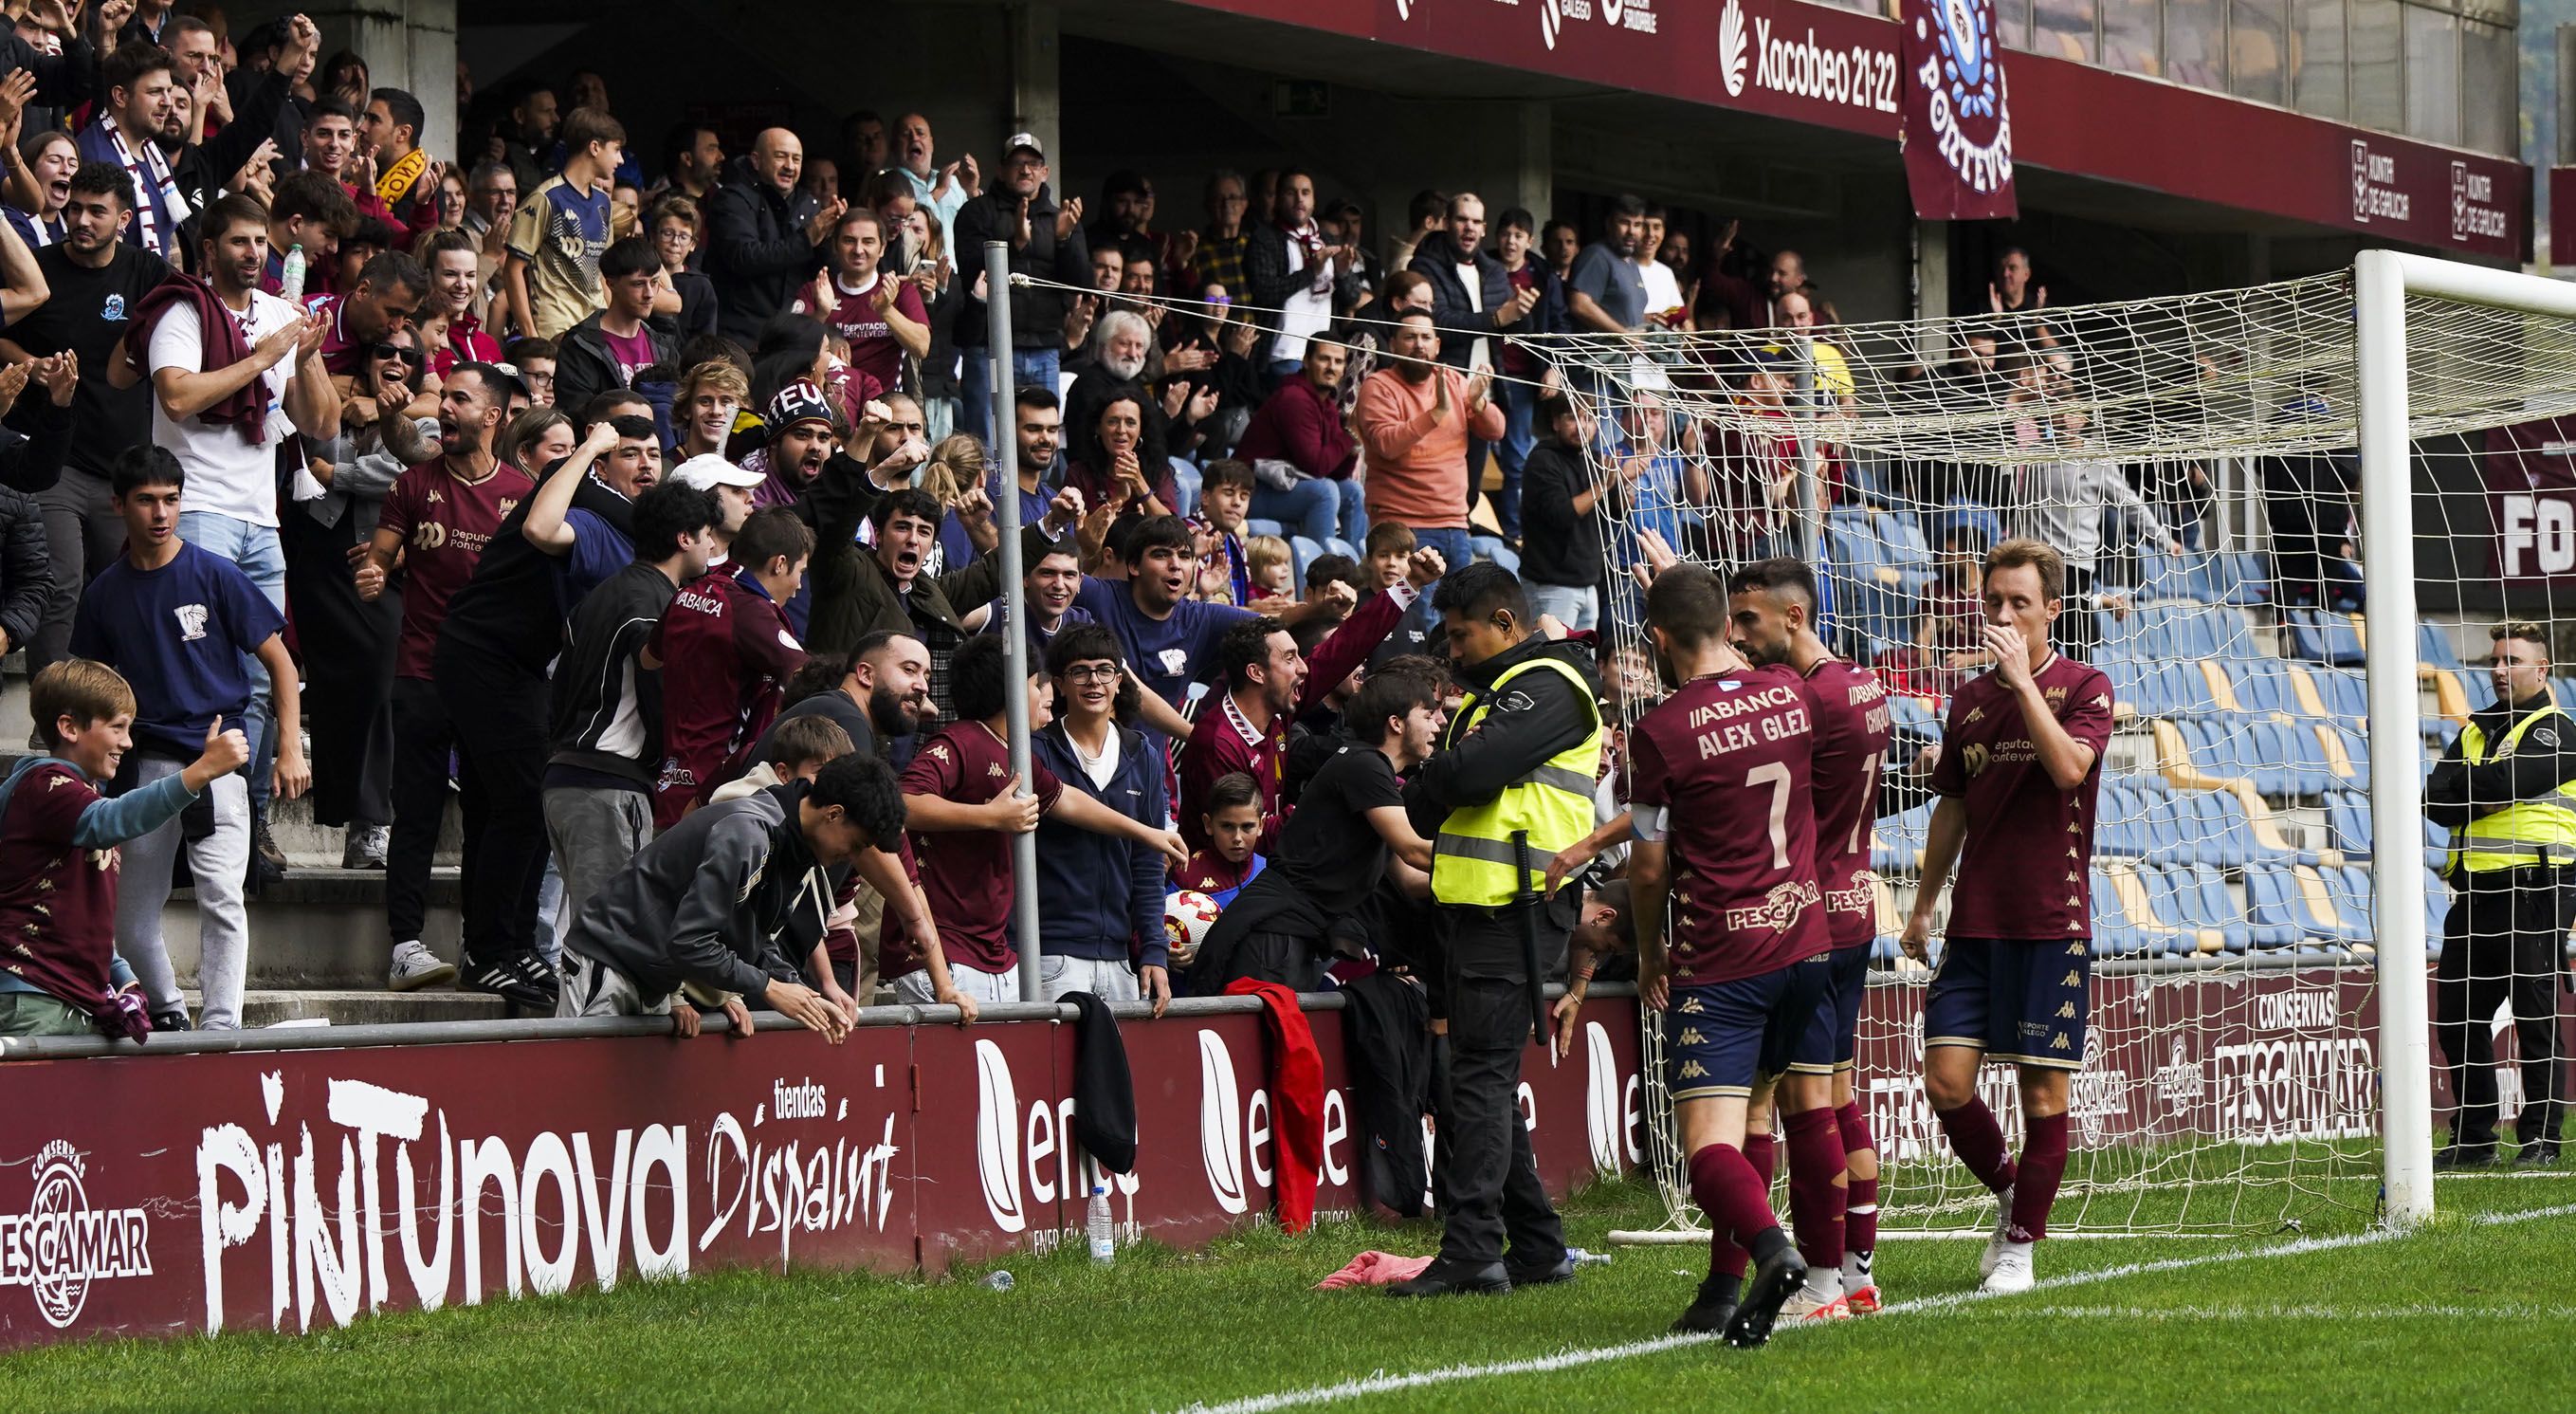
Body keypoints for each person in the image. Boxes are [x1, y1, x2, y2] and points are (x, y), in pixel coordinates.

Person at [1900, 538, 2115, 1295]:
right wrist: (1922, 905)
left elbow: (2066, 771)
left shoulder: (2086, 686)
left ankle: (2021, 1246)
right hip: (1974, 923)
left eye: (2018, 602)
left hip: (2051, 923)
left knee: (2041, 1096)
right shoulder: (1965, 701)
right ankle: (2010, 1195)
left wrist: (2023, 682)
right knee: (1946, 1084)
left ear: (2051, 609)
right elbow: (1949, 809)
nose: (2001, 614)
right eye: (1993, 600)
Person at [1618, 561, 1823, 1344]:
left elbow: (1646, 863)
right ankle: (1721, 1284)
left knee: (1705, 1146)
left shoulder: (1660, 730)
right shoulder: (1789, 692)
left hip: (1723, 961)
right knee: (1757, 1114)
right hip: (1803, 945)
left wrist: (1648, 953)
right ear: (1730, 625)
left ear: (1659, 638)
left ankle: (1772, 1250)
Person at [1387, 563, 1599, 1298]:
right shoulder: (1503, 693)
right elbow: (1439, 788)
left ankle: (1474, 1247)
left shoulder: (1551, 684)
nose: (1452, 651)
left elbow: (1467, 775)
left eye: (1460, 634)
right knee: (1484, 1081)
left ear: (1506, 624)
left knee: (1476, 1079)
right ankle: (1537, 1247)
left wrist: (1438, 774)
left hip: (1513, 912)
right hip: (1481, 908)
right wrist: (1441, 777)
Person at [126, 193, 338, 882]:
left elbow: (320, 422)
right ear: (211, 247)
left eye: (260, 242)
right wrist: (263, 355)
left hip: (260, 518)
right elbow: (179, 396)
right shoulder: (182, 310)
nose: (253, 253)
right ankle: (188, 825)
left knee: (255, 677)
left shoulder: (281, 313)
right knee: (196, 675)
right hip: (195, 512)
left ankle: (247, 827)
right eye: (240, 242)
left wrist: (301, 358)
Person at [71, 445, 307, 1032]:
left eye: (171, 500)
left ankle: (222, 1030)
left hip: (221, 752)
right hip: (145, 764)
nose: (160, 513)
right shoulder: (104, 593)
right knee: (130, 919)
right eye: (147, 500)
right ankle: (169, 1012)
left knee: (223, 900)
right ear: (119, 504)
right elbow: (89, 690)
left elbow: (280, 662)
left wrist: (289, 745)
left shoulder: (215, 573)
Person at [359, 361, 534, 990]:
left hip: (491, 683)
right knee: (417, 815)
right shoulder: (412, 484)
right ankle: (405, 944)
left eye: (459, 399)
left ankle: (477, 940)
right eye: (443, 399)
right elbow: (378, 558)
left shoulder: (522, 491)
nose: (444, 408)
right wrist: (376, 573)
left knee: (490, 815)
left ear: (491, 415)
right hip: (422, 672)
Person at [896, 634, 1188, 1003]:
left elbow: (1068, 800)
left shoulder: (1018, 755)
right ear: (1011, 692)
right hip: (954, 952)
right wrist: (990, 816)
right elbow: (903, 802)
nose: (1043, 694)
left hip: (992, 957)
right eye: (1036, 684)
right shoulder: (962, 740)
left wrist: (1147, 834)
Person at [554, 752, 891, 1042]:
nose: (852, 856)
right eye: (857, 844)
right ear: (833, 814)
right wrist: (768, 988)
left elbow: (755, 941)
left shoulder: (794, 845)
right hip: (607, 960)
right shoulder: (749, 834)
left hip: (654, 979)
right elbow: (690, 943)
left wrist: (804, 994)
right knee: (576, 1103)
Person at [0, 661, 250, 1038]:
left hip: (70, 999)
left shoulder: (77, 797)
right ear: (68, 728)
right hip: (33, 998)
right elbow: (112, 819)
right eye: (117, 727)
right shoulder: (45, 787)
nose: (128, 742)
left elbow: (83, 918)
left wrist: (123, 976)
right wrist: (201, 771)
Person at [4, 162, 168, 686]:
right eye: (74, 207)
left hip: (124, 463)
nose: (81, 219)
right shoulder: (39, 268)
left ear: (123, 219)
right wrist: (30, 366)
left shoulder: (147, 272)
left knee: (127, 585)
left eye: (97, 211)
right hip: (55, 460)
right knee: (59, 582)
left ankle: (119, 708)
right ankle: (50, 714)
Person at [2424, 621, 2572, 1168]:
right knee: (2458, 1018)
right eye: (2495, 659)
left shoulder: (2558, 730)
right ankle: (2474, 1139)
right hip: (2473, 898)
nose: (2499, 669)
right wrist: (2478, 794)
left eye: (2512, 660)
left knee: (2535, 1021)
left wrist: (2474, 792)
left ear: (2542, 669)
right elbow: (2432, 800)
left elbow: (2507, 785)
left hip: (2536, 892)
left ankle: (2541, 1140)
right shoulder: (2473, 731)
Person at [1193, 670, 1440, 991]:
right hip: (1274, 937)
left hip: (1293, 936)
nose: (1438, 724)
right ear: (1396, 723)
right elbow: (1416, 850)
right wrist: (1495, 857)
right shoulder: (1366, 765)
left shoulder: (1372, 773)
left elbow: (1409, 879)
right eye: (1428, 715)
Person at [541, 480, 719, 924]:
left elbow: (556, 682)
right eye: (706, 534)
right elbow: (659, 694)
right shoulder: (657, 606)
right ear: (684, 538)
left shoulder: (600, 595)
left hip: (565, 779)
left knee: (593, 935)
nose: (712, 544)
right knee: (613, 935)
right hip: (608, 785)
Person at [1031, 624, 1173, 1011]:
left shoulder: (1142, 753)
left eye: (1105, 670)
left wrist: (1154, 951)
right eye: (1080, 671)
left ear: (1119, 680)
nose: (1094, 681)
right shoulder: (1035, 753)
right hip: (1052, 954)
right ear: (1059, 684)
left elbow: (1147, 863)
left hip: (1121, 957)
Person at [649, 506, 811, 827]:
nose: (799, 587)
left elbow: (648, 657)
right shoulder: (752, 612)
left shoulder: (690, 593)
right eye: (800, 572)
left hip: (670, 778)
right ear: (780, 564)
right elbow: (807, 677)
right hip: (716, 789)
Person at [950, 133, 1084, 446]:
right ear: (1001, 169)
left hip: (1044, 348)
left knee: (1042, 444)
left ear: (1045, 172)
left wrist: (1063, 239)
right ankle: (984, 498)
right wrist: (1017, 245)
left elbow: (1080, 283)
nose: (1025, 170)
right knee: (986, 443)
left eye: (1033, 163)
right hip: (988, 347)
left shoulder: (1059, 217)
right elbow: (971, 273)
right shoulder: (976, 212)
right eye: (1017, 163)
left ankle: (1034, 499)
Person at [1353, 310, 1501, 573]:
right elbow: (1387, 444)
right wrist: (1436, 413)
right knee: (1418, 614)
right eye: (1410, 337)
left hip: (1455, 524)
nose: (1419, 344)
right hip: (1402, 527)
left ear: (1437, 345)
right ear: (1394, 344)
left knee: (1458, 614)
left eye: (1426, 337)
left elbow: (1497, 430)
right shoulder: (1378, 386)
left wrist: (1479, 404)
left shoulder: (1453, 381)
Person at [1517, 393, 1634, 632]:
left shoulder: (1595, 460)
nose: (1582, 426)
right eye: (1573, 418)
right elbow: (1562, 514)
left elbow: (1615, 511)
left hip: (1589, 584)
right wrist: (1602, 486)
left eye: (1589, 419)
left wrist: (1625, 484)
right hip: (1550, 585)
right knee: (1552, 660)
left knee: (1581, 664)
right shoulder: (1543, 460)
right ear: (1556, 422)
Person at [706, 127, 833, 343]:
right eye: (780, 156)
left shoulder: (808, 203)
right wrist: (808, 239)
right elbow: (744, 257)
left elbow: (819, 270)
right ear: (756, 160)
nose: (790, 166)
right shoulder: (732, 198)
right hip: (741, 336)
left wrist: (827, 238)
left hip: (790, 333)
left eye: (796, 159)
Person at [504, 105, 621, 340]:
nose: (620, 159)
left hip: (598, 328)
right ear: (595, 147)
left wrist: (615, 328)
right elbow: (513, 268)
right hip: (556, 330)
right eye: (616, 149)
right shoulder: (546, 198)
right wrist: (531, 336)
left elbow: (603, 272)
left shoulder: (604, 203)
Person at [1236, 336, 1363, 546]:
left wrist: (1353, 445)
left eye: (1338, 362)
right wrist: (1348, 434)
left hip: (1285, 487)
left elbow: (1336, 472)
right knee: (1323, 492)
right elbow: (1316, 466)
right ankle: (1322, 574)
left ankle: (1356, 573)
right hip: (1251, 491)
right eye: (1324, 359)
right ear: (1306, 361)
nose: (1331, 367)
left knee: (1353, 491)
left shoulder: (1327, 403)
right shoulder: (1295, 398)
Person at [788, 206, 926, 397]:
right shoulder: (815, 290)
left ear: (882, 248)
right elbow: (788, 352)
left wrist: (886, 311)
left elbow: (921, 347)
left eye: (868, 242)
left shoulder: (900, 291)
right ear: (835, 246)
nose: (858, 250)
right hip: (826, 404)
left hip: (883, 407)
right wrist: (821, 313)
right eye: (849, 241)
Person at [1243, 168, 1354, 380]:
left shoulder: (1326, 239)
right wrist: (1312, 271)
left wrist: (1343, 272)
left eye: (1305, 192)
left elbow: (1352, 298)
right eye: (1290, 193)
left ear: (1314, 199)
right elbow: (1264, 292)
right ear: (1278, 198)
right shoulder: (1264, 239)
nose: (1299, 199)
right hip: (1283, 353)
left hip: (1324, 352)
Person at [1178, 771, 1268, 907]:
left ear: (1261, 825)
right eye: (1227, 826)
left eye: (1247, 827)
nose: (1237, 838)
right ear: (1208, 824)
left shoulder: (1269, 872)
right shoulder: (1185, 877)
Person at [1565, 195, 1648, 339]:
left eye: (1637, 224)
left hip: (1624, 359)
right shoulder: (1597, 255)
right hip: (1595, 358)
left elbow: (1621, 313)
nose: (1631, 231)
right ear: (1609, 224)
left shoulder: (1631, 263)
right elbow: (1579, 305)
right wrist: (1624, 335)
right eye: (1624, 222)